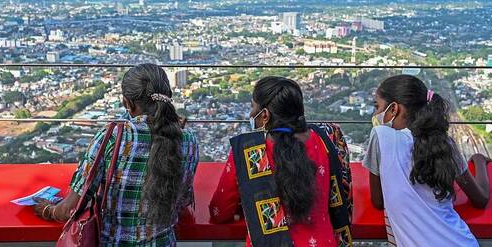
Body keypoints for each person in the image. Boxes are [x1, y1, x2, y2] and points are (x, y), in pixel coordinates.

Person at [33, 63, 199, 246]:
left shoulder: (113, 137)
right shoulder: (188, 140)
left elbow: (68, 210)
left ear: (127, 103)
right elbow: (182, 201)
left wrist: (48, 209)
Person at [209, 76, 353, 247]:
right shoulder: (325, 139)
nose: (250, 113)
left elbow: (220, 211)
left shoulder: (249, 150)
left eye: (252, 106)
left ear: (264, 115)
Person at [363, 75, 491, 247]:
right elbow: (481, 199)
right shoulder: (444, 144)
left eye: (377, 106)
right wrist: (480, 162)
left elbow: (378, 201)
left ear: (393, 109)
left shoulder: (381, 136)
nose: (376, 113)